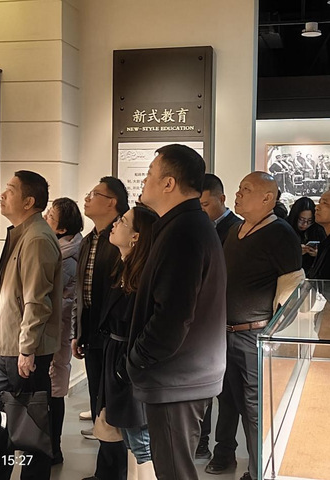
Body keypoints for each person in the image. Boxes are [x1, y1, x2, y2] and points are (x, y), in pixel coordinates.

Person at [127, 144, 227, 480]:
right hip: (183, 373)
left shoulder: (183, 231)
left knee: (173, 470)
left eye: (150, 174)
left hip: (177, 376)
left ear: (169, 183)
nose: (144, 181)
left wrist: (139, 357)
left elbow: (172, 315)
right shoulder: (184, 225)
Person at [216, 172, 303, 480]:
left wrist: (273, 335)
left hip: (255, 336)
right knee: (237, 404)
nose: (238, 194)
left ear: (268, 198)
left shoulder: (281, 233)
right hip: (227, 334)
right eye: (239, 188)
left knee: (257, 409)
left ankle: (260, 472)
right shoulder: (235, 230)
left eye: (246, 189)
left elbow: (292, 291)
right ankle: (251, 466)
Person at [0, 171, 62, 480]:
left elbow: (37, 301)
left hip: (23, 352)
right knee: (0, 417)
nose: (2, 195)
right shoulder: (22, 234)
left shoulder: (37, 239)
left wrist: (27, 349)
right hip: (10, 349)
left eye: (10, 190)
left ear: (28, 202)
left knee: (29, 424)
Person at [72, 176, 129, 480]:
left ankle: (114, 471)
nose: (87, 198)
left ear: (112, 202)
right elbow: (81, 293)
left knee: (112, 405)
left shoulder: (121, 238)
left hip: (115, 335)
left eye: (94, 194)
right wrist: (78, 332)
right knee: (97, 400)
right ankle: (105, 470)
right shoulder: (88, 240)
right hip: (92, 334)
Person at [102, 205, 159, 480]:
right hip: (118, 358)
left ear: (136, 236)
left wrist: (131, 363)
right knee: (129, 437)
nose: (115, 224)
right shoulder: (124, 268)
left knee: (140, 440)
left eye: (122, 221)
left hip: (132, 362)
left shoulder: (144, 275)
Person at [197, 173, 241, 461]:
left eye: (205, 204)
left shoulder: (236, 229)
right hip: (203, 320)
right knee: (201, 386)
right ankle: (200, 441)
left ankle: (224, 450)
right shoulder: (198, 227)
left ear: (221, 199)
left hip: (228, 319)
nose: (201, 210)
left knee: (227, 393)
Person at [43, 197, 83, 466]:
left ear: (61, 228)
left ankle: (52, 447)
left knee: (53, 389)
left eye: (50, 216)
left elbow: (52, 295)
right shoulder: (69, 247)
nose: (45, 217)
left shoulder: (65, 256)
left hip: (56, 329)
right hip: (58, 327)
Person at [287, 196, 326, 272]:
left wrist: (317, 254)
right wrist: (294, 252)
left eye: (309, 221)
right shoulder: (285, 228)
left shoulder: (318, 229)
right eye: (301, 220)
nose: (305, 224)